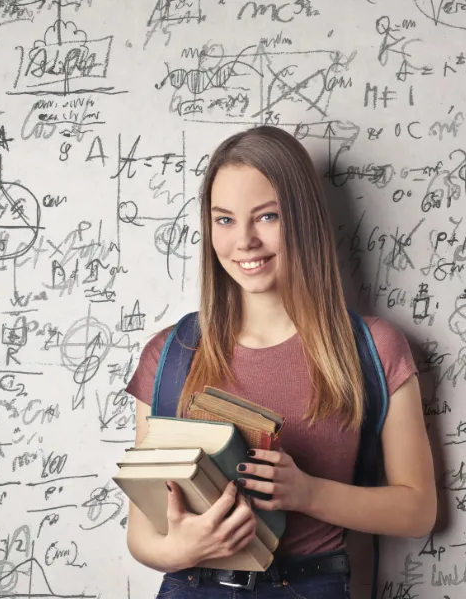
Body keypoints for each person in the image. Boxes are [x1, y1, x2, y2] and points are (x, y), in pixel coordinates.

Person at [123, 125, 437, 597]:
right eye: (224, 220)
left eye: (266, 216)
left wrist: (308, 494)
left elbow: (418, 512)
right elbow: (142, 534)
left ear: (304, 219)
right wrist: (180, 550)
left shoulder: (374, 348)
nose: (244, 240)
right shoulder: (169, 354)